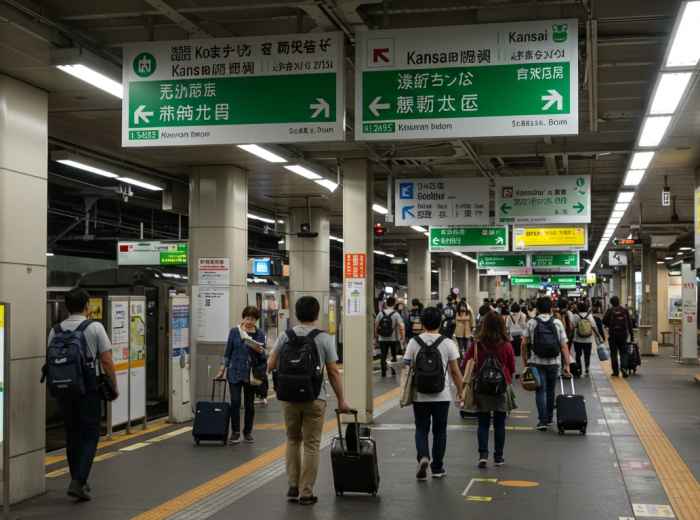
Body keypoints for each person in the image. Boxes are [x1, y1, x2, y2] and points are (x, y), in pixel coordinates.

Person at [268, 296, 350, 505]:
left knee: (293, 439)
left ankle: (292, 486)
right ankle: (306, 491)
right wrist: (341, 400)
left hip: (288, 397)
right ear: (316, 313)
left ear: (296, 313)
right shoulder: (323, 338)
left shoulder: (285, 336)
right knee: (311, 444)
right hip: (315, 397)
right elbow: (333, 372)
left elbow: (271, 364)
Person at [47, 288, 118, 501]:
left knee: (72, 435)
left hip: (64, 390)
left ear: (67, 307)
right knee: (89, 435)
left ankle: (78, 480)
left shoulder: (55, 330)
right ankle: (78, 481)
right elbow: (106, 360)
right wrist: (113, 386)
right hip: (89, 390)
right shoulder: (94, 327)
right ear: (87, 306)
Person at [403, 307, 463, 480]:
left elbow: (406, 365)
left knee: (421, 428)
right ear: (440, 323)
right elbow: (455, 371)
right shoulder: (448, 343)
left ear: (422, 323)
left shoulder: (414, 342)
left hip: (420, 395)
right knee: (440, 431)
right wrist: (461, 392)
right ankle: (437, 468)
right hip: (442, 395)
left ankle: (423, 456)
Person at [465, 311, 516, 468]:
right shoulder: (506, 345)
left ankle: (483, 455)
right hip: (501, 386)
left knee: (483, 422)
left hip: (482, 386)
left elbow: (466, 362)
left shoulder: (476, 344)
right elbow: (512, 367)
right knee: (500, 423)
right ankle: (498, 457)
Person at [215, 306, 267, 444]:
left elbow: (263, 355)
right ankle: (236, 432)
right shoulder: (234, 332)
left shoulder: (259, 334)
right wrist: (222, 370)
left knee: (249, 405)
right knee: (235, 402)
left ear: (256, 320)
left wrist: (258, 349)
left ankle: (248, 432)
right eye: (247, 318)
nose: (249, 321)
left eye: (252, 319)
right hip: (235, 372)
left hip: (250, 374)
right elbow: (228, 352)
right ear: (243, 317)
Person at [523, 297, 571, 431]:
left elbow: (523, 343)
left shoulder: (531, 323)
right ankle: (549, 418)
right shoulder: (557, 323)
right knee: (550, 390)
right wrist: (567, 364)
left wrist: (525, 360)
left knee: (540, 390)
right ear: (551, 308)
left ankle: (542, 420)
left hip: (536, 362)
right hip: (554, 362)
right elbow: (563, 346)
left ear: (537, 309)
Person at [603, 296, 634, 377]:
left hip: (613, 335)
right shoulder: (624, 310)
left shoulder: (610, 310)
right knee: (624, 352)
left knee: (613, 353)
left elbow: (604, 321)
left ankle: (615, 371)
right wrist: (632, 335)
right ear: (619, 301)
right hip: (623, 335)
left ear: (611, 303)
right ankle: (624, 368)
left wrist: (609, 325)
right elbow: (630, 323)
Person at [374, 296, 405, 377]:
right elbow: (401, 326)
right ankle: (393, 371)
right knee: (393, 356)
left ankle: (383, 372)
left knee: (383, 355)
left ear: (386, 303)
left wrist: (376, 336)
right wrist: (402, 337)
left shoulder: (381, 313)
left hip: (382, 338)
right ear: (394, 304)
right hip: (393, 339)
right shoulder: (396, 314)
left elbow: (376, 325)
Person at [571, 301, 600, 377]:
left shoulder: (575, 316)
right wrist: (598, 336)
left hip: (577, 339)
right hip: (588, 339)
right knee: (587, 354)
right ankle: (587, 368)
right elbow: (594, 327)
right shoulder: (589, 316)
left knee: (578, 355)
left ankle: (579, 369)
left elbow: (572, 327)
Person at [506, 303, 527, 374]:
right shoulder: (523, 315)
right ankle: (520, 371)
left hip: (512, 337)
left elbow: (507, 327)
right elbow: (524, 326)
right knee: (521, 354)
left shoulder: (509, 316)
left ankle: (513, 370)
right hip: (521, 336)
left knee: (513, 354)